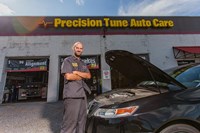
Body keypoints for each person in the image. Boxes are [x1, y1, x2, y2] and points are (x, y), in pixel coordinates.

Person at [60, 41, 91, 133]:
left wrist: (77, 73)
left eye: (81, 48)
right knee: (70, 123)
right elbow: (68, 76)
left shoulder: (82, 63)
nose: (79, 50)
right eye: (77, 48)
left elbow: (88, 76)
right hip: (72, 95)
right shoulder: (67, 61)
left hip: (82, 95)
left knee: (82, 122)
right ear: (73, 48)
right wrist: (82, 76)